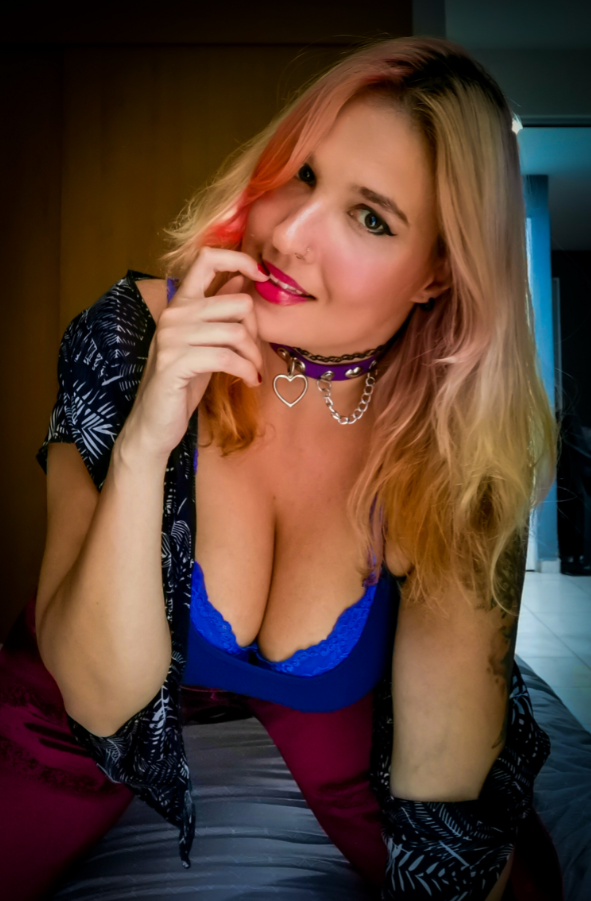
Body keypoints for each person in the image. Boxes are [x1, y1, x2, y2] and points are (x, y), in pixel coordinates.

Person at [0, 35, 562, 901]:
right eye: (300, 173)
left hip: (342, 754)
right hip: (63, 730)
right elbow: (96, 698)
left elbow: (443, 808)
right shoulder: (128, 335)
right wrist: (147, 442)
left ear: (437, 276)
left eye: (370, 218)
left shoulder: (454, 445)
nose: (290, 234)